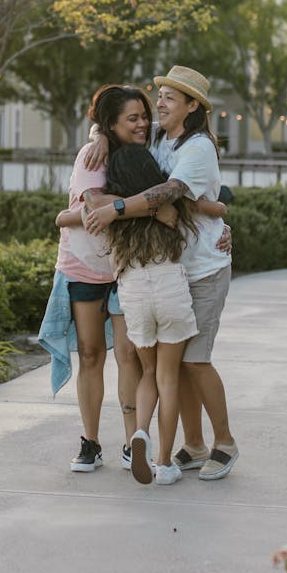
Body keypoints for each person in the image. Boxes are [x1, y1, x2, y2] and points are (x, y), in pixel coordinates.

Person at [83, 65, 238, 480]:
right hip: (176, 268)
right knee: (181, 362)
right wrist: (99, 135)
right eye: (162, 94)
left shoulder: (198, 147)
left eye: (172, 97)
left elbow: (168, 193)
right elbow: (119, 128)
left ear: (192, 107)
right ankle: (194, 444)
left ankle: (224, 442)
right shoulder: (158, 135)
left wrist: (114, 208)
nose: (161, 103)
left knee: (197, 360)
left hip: (205, 268)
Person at [38, 85, 152, 472]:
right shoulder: (93, 154)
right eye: (132, 119)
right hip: (84, 264)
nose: (142, 124)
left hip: (125, 266)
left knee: (128, 355)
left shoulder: (142, 153)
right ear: (112, 124)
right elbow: (92, 206)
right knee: (90, 354)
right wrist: (146, 207)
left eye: (143, 116)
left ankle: (132, 442)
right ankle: (91, 442)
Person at [102, 144, 200, 486]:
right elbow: (205, 212)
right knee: (168, 378)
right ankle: (163, 463)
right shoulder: (169, 205)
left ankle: (140, 432)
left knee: (148, 373)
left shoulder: (114, 213)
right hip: (169, 286)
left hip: (135, 292)